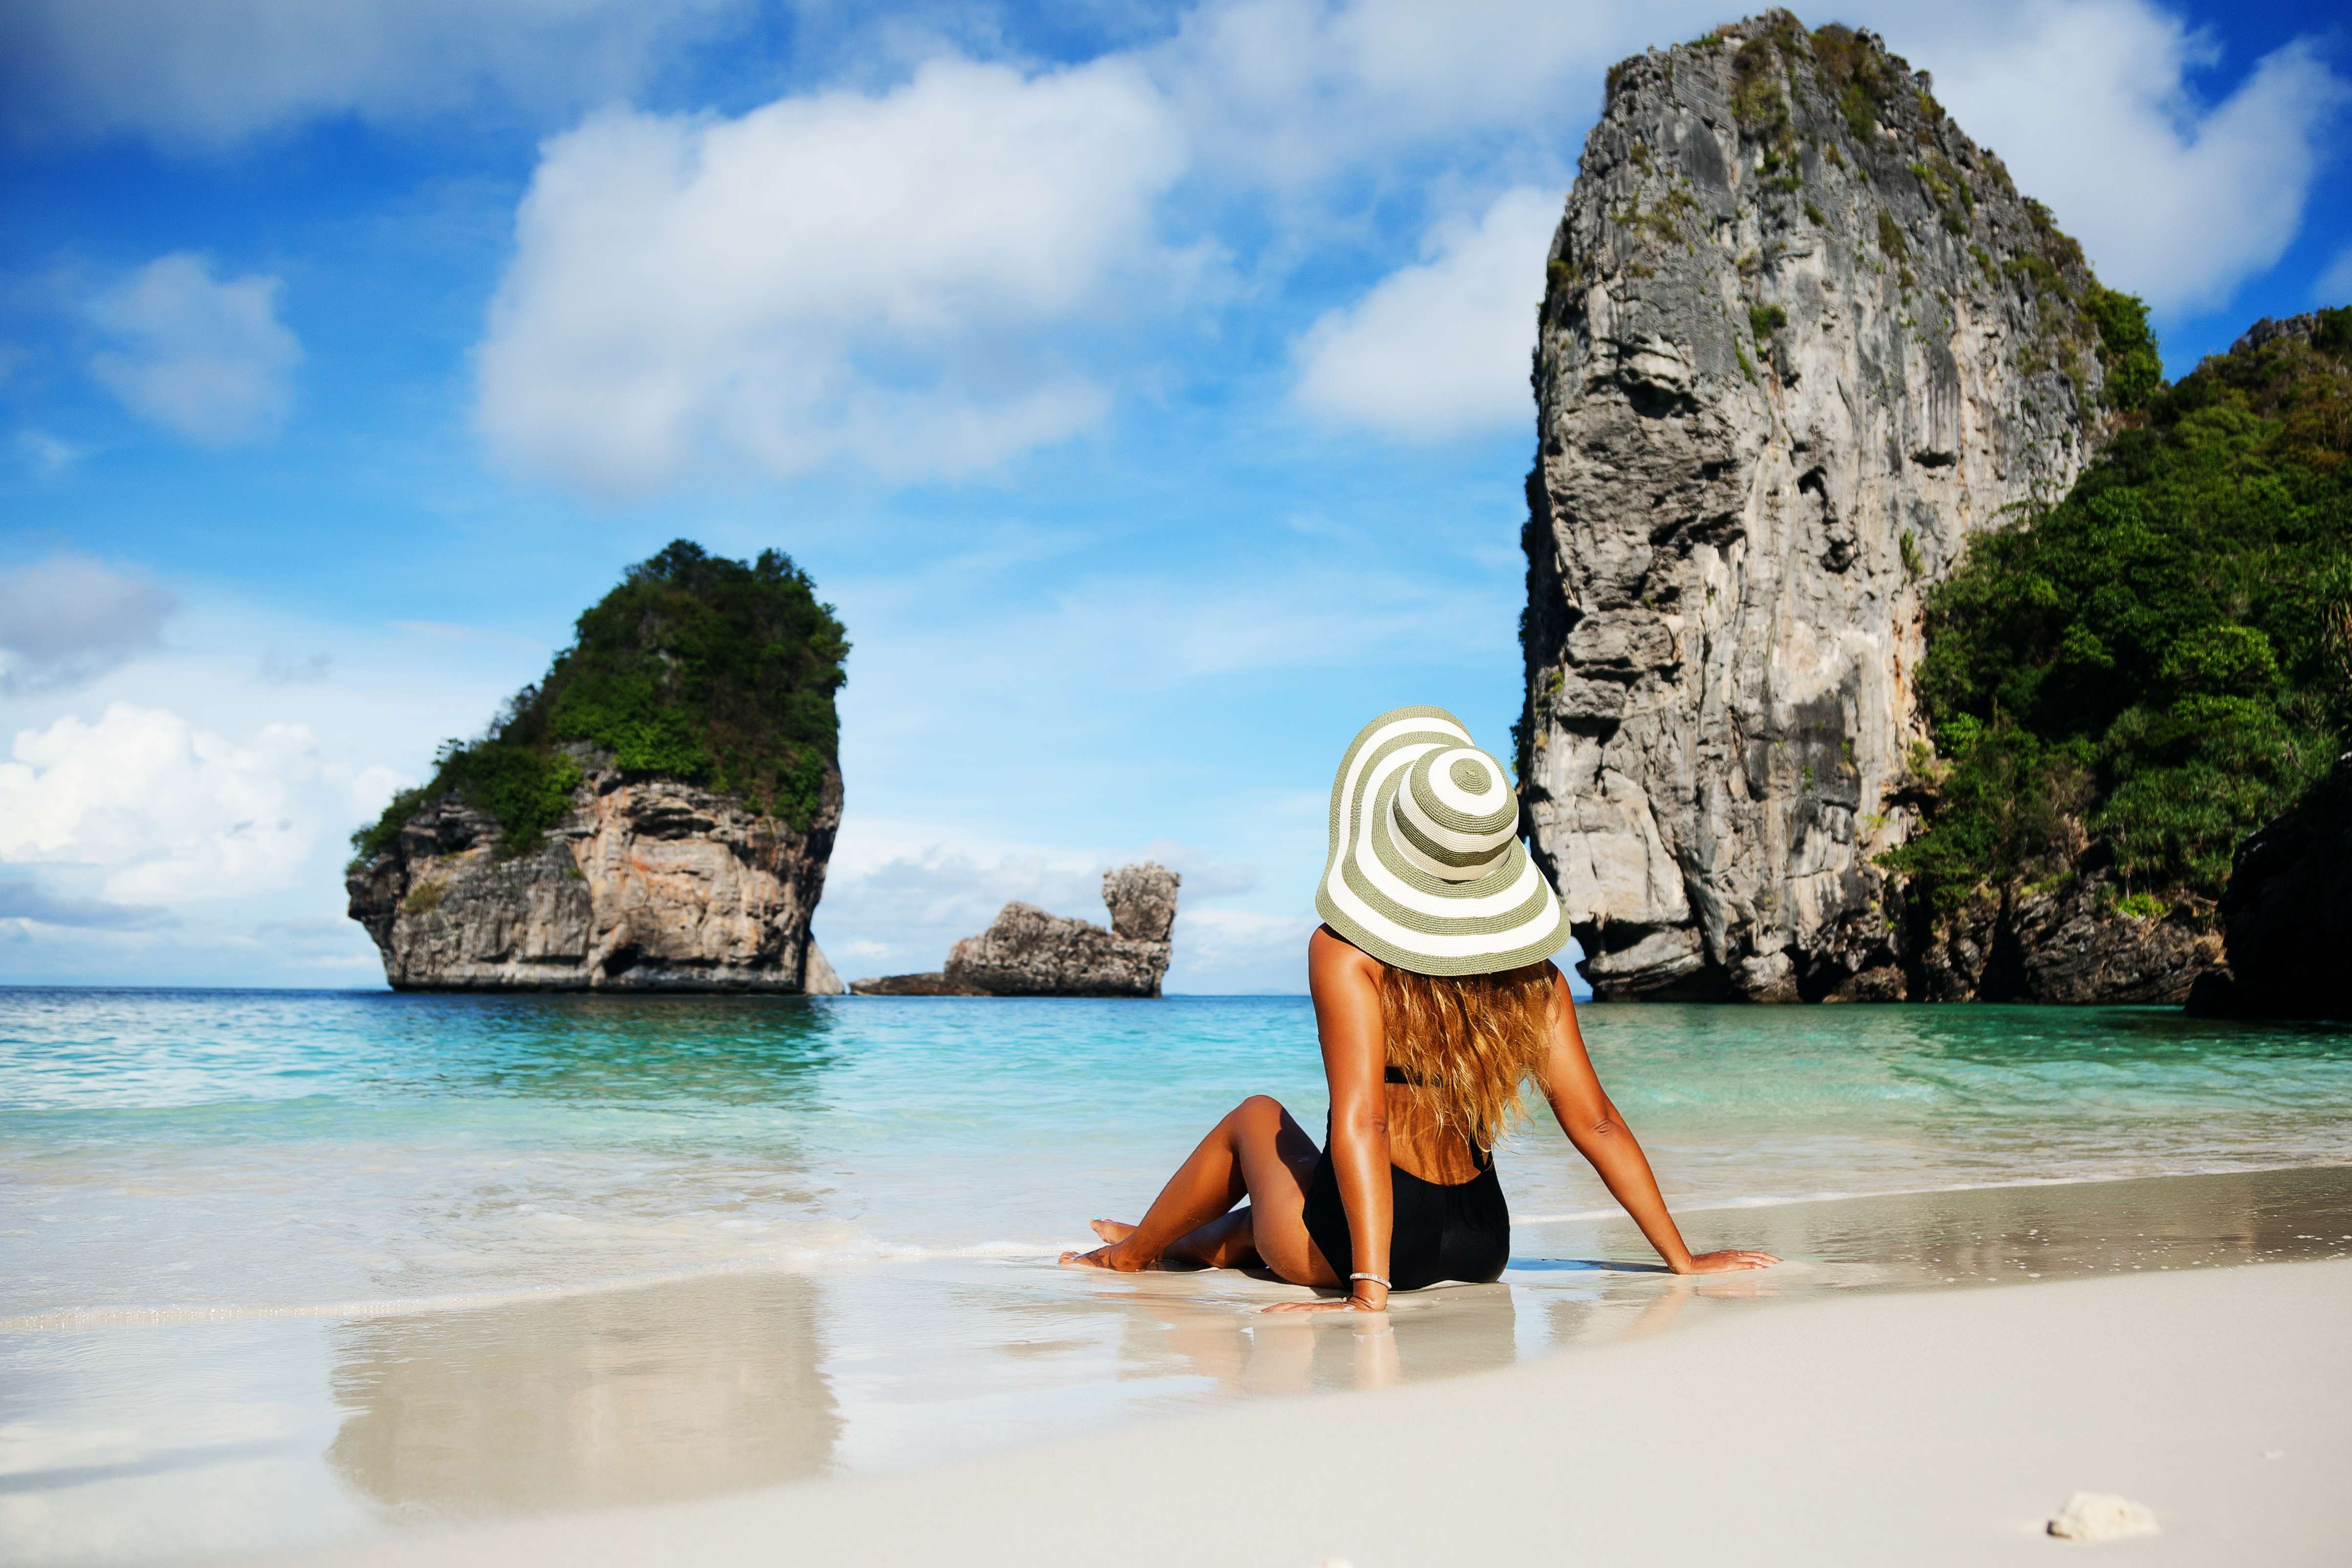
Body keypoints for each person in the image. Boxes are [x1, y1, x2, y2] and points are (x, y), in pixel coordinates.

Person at [1062, 705, 1777, 1311]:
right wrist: (1680, 1258)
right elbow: (1596, 1121)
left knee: (1257, 1118)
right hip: (1479, 1243)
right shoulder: (1536, 976)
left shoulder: (1347, 952)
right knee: (1279, 1205)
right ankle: (1174, 1239)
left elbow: (1363, 1121)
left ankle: (1131, 1255)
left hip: (1362, 1250)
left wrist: (1368, 1290)